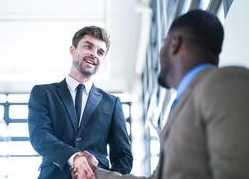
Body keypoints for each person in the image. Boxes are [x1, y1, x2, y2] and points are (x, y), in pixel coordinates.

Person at [73, 10, 249, 179]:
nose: (159, 53)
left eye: (163, 43)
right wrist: (96, 173)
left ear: (174, 44)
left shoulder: (226, 83)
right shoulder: (181, 108)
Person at [28, 26, 133, 179]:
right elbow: (40, 136)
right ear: (72, 49)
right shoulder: (43, 93)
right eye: (88, 46)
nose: (94, 54)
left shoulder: (112, 103)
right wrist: (74, 157)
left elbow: (123, 155)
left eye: (100, 52)